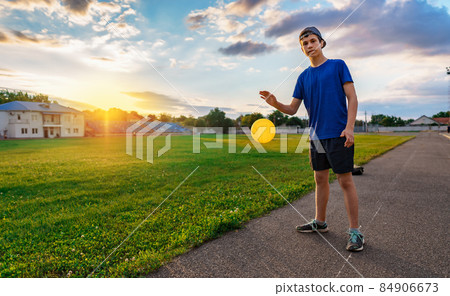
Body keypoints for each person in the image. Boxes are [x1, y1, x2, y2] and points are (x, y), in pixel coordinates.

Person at [259, 26, 364, 251]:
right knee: (319, 179)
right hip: (316, 137)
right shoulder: (303, 77)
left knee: (345, 181)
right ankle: (320, 222)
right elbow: (292, 109)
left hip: (338, 134)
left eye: (313, 41)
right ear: (302, 49)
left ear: (322, 42)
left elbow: (352, 98)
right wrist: (275, 103)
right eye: (305, 44)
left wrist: (350, 127)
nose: (309, 46)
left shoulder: (338, 66)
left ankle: (355, 232)